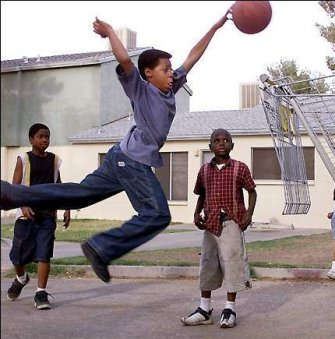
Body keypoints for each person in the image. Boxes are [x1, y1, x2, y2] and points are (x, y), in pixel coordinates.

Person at [0, 12, 230, 283]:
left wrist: (215, 27)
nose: (171, 74)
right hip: (131, 161)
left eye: (170, 70)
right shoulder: (141, 89)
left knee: (79, 195)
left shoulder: (171, 87)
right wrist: (110, 32)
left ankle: (12, 194)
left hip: (121, 156)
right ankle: (101, 247)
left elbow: (193, 56)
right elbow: (124, 60)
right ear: (148, 73)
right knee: (157, 214)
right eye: (165, 70)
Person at [181, 129, 257, 329]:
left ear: (232, 145)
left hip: (231, 222)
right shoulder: (205, 170)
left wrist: (248, 214)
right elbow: (201, 195)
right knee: (207, 264)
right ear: (210, 147)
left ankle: (229, 309)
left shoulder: (240, 168)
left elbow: (252, 192)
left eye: (226, 140)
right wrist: (197, 213)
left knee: (232, 263)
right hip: (210, 224)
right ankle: (204, 309)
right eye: (217, 140)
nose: (221, 143)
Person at [6, 123, 71, 310]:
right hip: (26, 216)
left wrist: (66, 206)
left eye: (47, 137)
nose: (45, 140)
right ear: (31, 139)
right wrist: (23, 204)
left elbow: (59, 186)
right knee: (18, 257)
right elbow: (14, 188)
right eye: (41, 136)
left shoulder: (54, 160)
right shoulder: (24, 160)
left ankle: (40, 293)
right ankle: (21, 278)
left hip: (47, 215)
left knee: (44, 254)